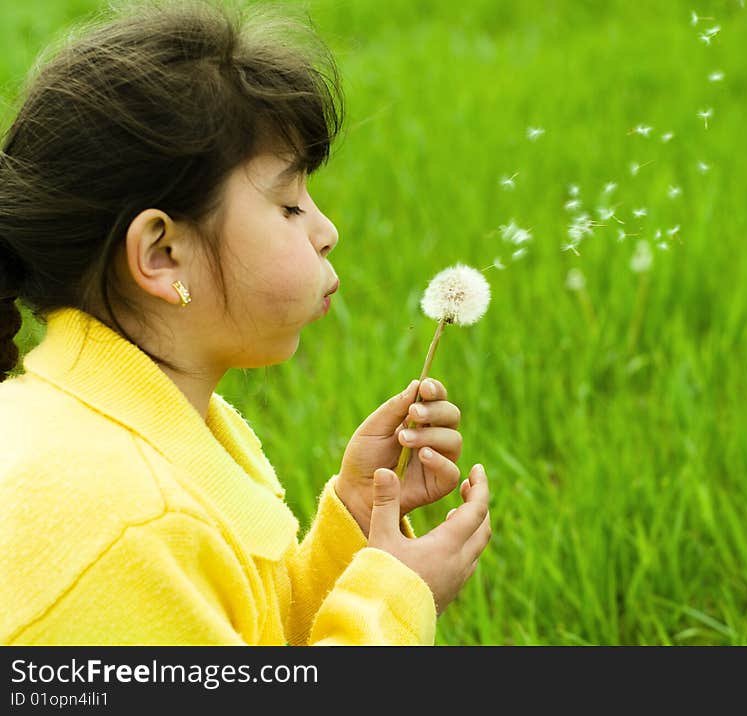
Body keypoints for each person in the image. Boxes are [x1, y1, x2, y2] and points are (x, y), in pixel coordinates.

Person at [0, 0, 491, 646]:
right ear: (161, 254)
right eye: (289, 205)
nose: (328, 231)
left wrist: (353, 521)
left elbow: (235, 632)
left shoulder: (149, 429)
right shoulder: (128, 525)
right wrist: (395, 604)